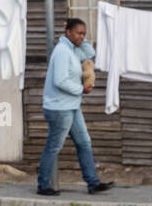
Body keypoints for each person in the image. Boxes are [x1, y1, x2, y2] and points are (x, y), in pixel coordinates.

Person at [38, 18, 113, 196]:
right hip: (59, 108)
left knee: (84, 143)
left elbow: (89, 53)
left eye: (84, 34)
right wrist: (81, 89)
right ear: (68, 32)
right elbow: (60, 81)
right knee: (54, 146)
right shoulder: (63, 51)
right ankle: (43, 185)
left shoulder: (73, 50)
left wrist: (83, 39)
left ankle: (93, 183)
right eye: (78, 33)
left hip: (71, 105)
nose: (81, 37)